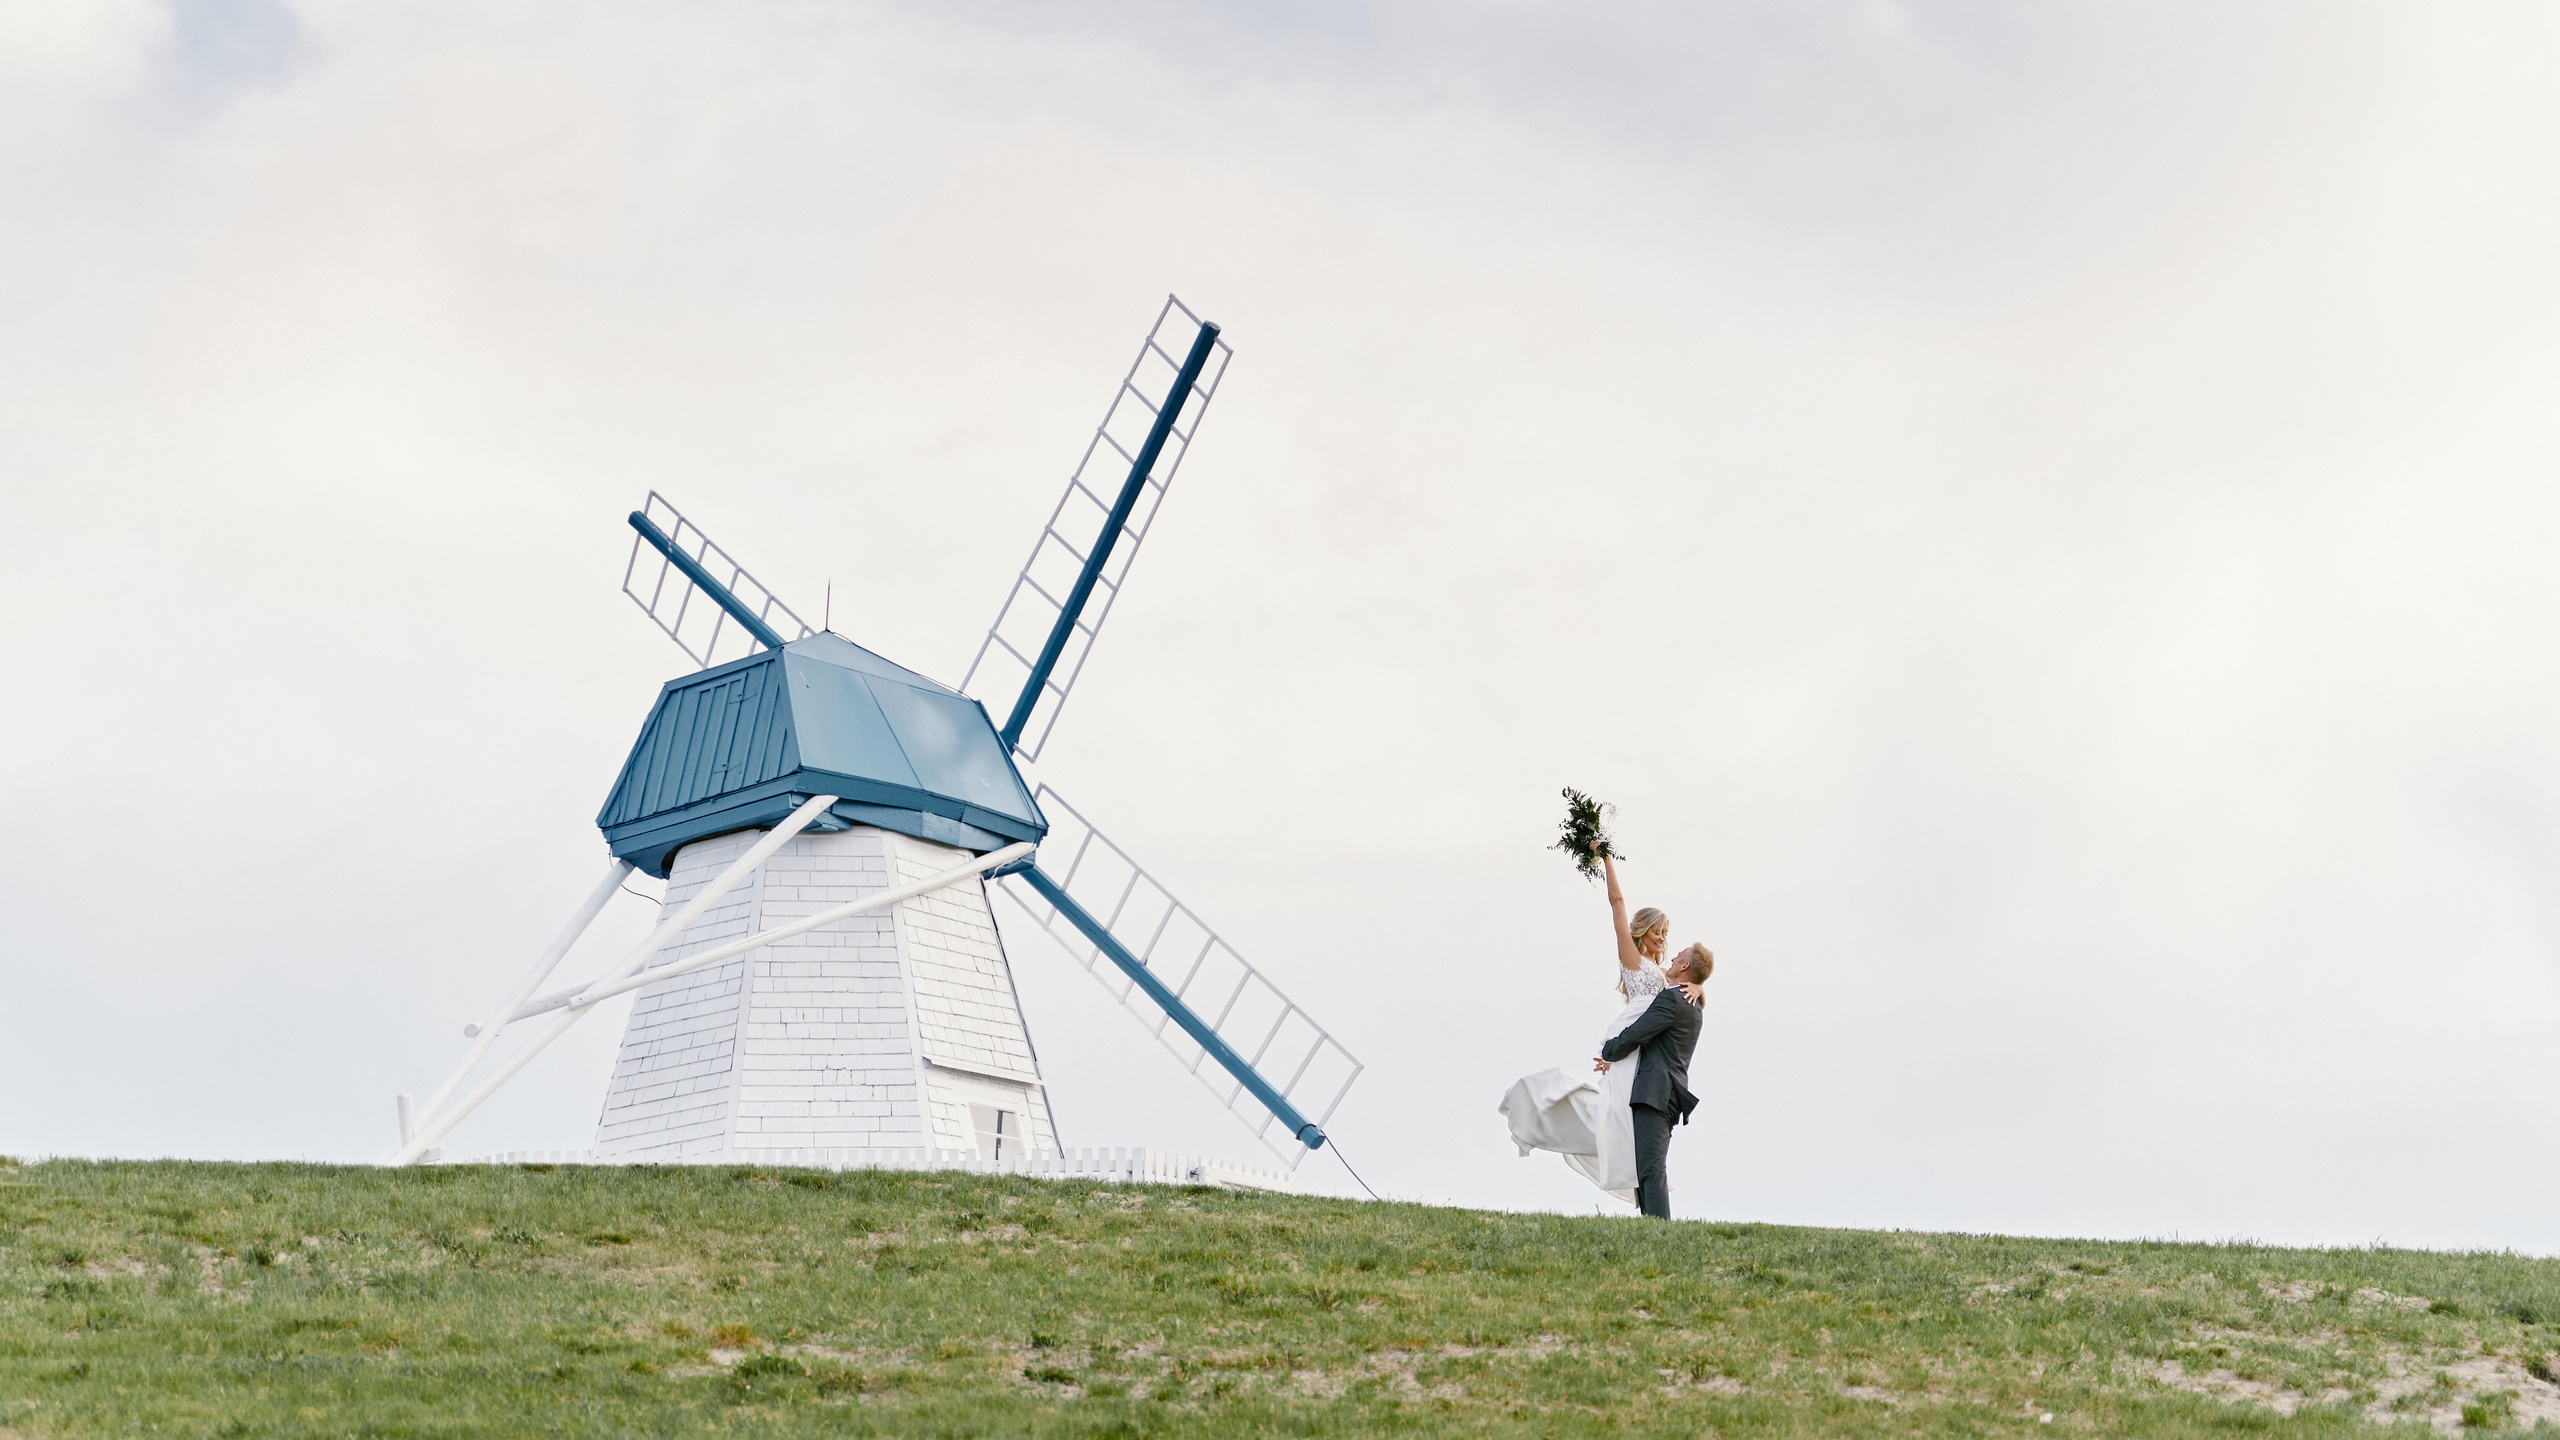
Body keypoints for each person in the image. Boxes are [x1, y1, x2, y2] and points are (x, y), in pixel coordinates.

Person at [1596, 940, 1711, 1219]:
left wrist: (1609, 1050)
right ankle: (1652, 1227)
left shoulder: (1672, 1000)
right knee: (1647, 1165)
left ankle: (1660, 1230)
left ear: (1685, 966)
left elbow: (1638, 1032)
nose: (1672, 957)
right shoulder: (1691, 1003)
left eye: (1679, 956)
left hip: (1656, 1092)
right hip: (1667, 1093)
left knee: (1650, 1167)